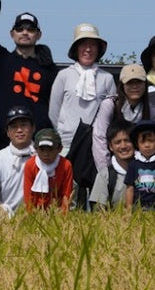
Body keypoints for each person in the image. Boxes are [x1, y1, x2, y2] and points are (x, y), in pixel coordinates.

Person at [0, 0, 55, 150]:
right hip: (5, 139)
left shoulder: (49, 68)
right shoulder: (2, 60)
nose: (25, 32)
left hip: (39, 141)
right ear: (12, 34)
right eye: (20, 29)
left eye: (30, 29)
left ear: (38, 35)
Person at [49, 23, 117, 208]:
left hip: (96, 145)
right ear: (76, 48)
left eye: (92, 44)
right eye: (83, 44)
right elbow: (53, 110)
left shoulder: (107, 78)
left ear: (99, 49)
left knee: (93, 193)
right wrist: (64, 130)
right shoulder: (64, 75)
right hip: (67, 142)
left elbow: (110, 112)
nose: (88, 49)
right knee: (67, 191)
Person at [91, 63, 149, 181]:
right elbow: (99, 137)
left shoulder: (150, 108)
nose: (135, 87)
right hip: (110, 164)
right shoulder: (109, 104)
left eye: (138, 82)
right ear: (122, 86)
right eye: (130, 83)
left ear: (145, 84)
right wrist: (106, 172)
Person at [0, 106, 35, 214]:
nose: (19, 130)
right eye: (14, 126)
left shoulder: (42, 156)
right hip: (4, 219)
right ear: (8, 132)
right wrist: (3, 209)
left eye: (24, 125)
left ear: (33, 128)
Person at [123, 121, 155, 212]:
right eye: (142, 142)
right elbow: (130, 189)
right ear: (137, 144)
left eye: (151, 141)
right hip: (138, 208)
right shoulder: (133, 164)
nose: (147, 145)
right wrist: (128, 211)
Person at [22, 128, 73, 211]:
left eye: (50, 150)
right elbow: (28, 195)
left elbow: (66, 194)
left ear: (59, 149)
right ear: (36, 149)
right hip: (36, 211)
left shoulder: (66, 165)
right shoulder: (30, 165)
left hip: (57, 211)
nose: (46, 154)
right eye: (42, 150)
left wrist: (62, 216)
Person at [91, 124, 136, 210]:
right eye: (118, 142)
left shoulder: (147, 171)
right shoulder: (104, 175)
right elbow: (98, 211)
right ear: (111, 146)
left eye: (127, 141)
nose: (123, 146)